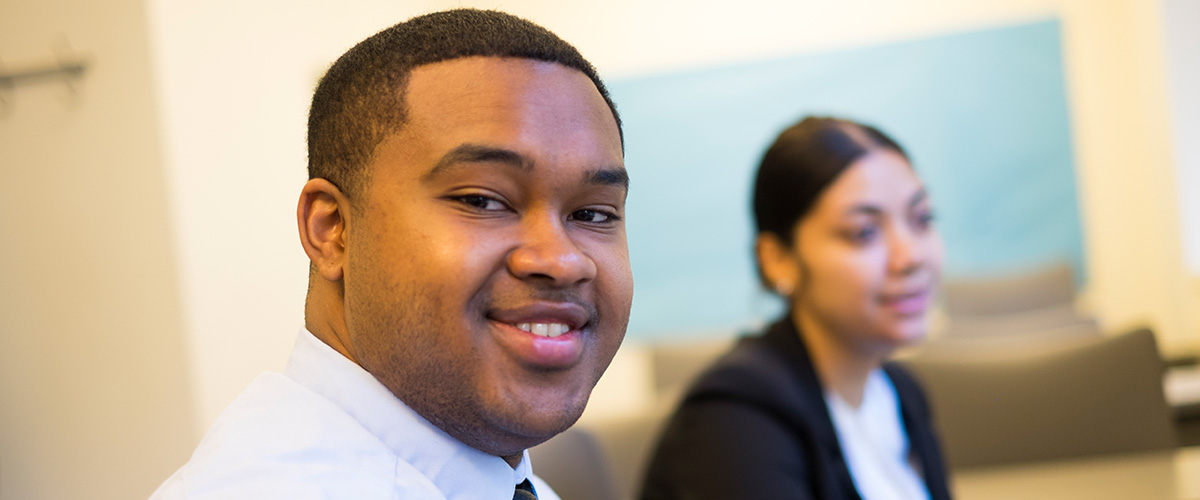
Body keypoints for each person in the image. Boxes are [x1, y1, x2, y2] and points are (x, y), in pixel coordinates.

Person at [150, 9, 632, 500]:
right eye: (482, 201)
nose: (562, 260)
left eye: (593, 214)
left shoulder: (501, 482)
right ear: (332, 229)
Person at [640, 116, 952, 500]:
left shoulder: (900, 392)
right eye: (864, 233)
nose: (911, 257)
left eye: (922, 219)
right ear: (778, 260)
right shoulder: (737, 417)